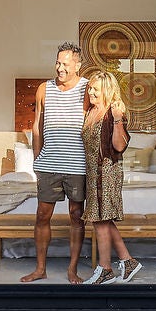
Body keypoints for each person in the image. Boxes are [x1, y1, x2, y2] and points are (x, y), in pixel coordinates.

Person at [21, 41, 91, 283]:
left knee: (76, 215)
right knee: (42, 214)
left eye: (65, 64)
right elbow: (37, 126)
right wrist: (37, 158)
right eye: (58, 63)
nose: (60, 68)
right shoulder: (44, 89)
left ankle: (72, 269)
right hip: (49, 164)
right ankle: (40, 269)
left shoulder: (87, 89)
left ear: (78, 65)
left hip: (77, 165)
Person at [82, 69, 142, 285]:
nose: (91, 92)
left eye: (95, 89)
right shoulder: (90, 111)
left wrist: (117, 120)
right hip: (93, 174)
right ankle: (128, 261)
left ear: (107, 90)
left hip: (107, 173)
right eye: (90, 88)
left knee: (100, 220)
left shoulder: (113, 112)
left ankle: (105, 269)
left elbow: (118, 146)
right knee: (102, 220)